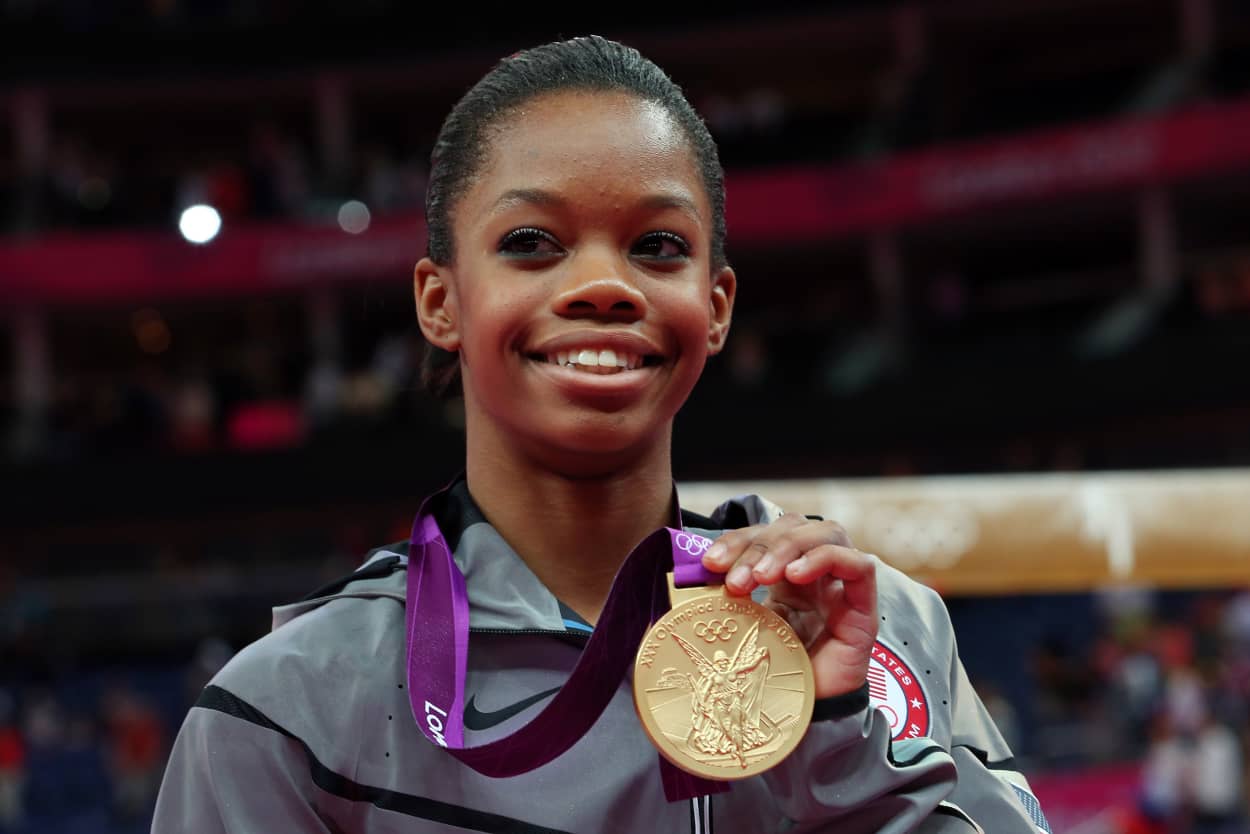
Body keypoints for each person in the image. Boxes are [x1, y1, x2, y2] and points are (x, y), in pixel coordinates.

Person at [152, 36, 1048, 833]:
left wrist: (841, 745)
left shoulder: (873, 622)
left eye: (658, 247)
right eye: (532, 242)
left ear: (717, 305)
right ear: (440, 301)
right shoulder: (290, 707)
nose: (603, 287)